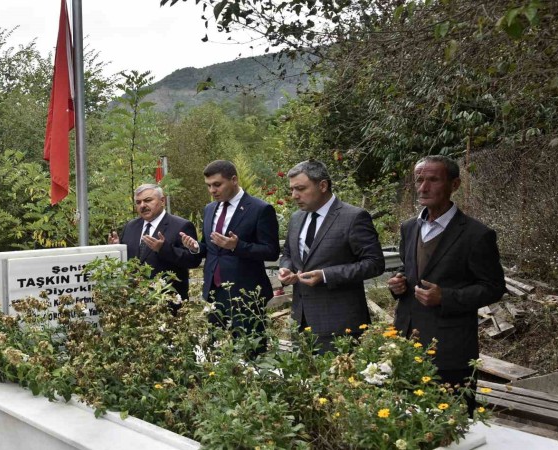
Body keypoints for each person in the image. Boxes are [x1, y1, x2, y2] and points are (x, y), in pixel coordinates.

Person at [387, 155, 505, 415]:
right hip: (406, 342)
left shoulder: (476, 235)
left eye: (433, 180)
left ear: (455, 185)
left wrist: (446, 297)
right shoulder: (409, 227)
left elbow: (494, 287)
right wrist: (398, 283)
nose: (423, 187)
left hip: (450, 349)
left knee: (452, 421)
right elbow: (410, 269)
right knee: (407, 422)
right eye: (419, 180)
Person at [278, 160, 385, 353]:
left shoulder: (353, 217)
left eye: (300, 188)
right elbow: (288, 253)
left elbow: (375, 263)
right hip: (300, 322)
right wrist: (286, 268)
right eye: (292, 189)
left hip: (340, 325)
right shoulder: (296, 218)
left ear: (322, 185)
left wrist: (326, 275)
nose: (294, 195)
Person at [180, 160, 280, 336]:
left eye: (217, 184)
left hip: (246, 294)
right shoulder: (209, 209)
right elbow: (210, 247)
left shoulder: (260, 209)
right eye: (208, 185)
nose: (212, 190)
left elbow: (271, 251)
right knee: (215, 346)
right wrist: (195, 247)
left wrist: (237, 246)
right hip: (214, 291)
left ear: (234, 180)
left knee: (250, 348)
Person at [109, 184, 202, 310]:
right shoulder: (130, 226)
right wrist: (116, 249)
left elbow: (193, 261)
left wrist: (163, 249)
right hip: (134, 304)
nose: (142, 205)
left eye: (148, 200)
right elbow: (128, 262)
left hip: (167, 304)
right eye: (138, 202)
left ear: (162, 201)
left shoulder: (181, 226)